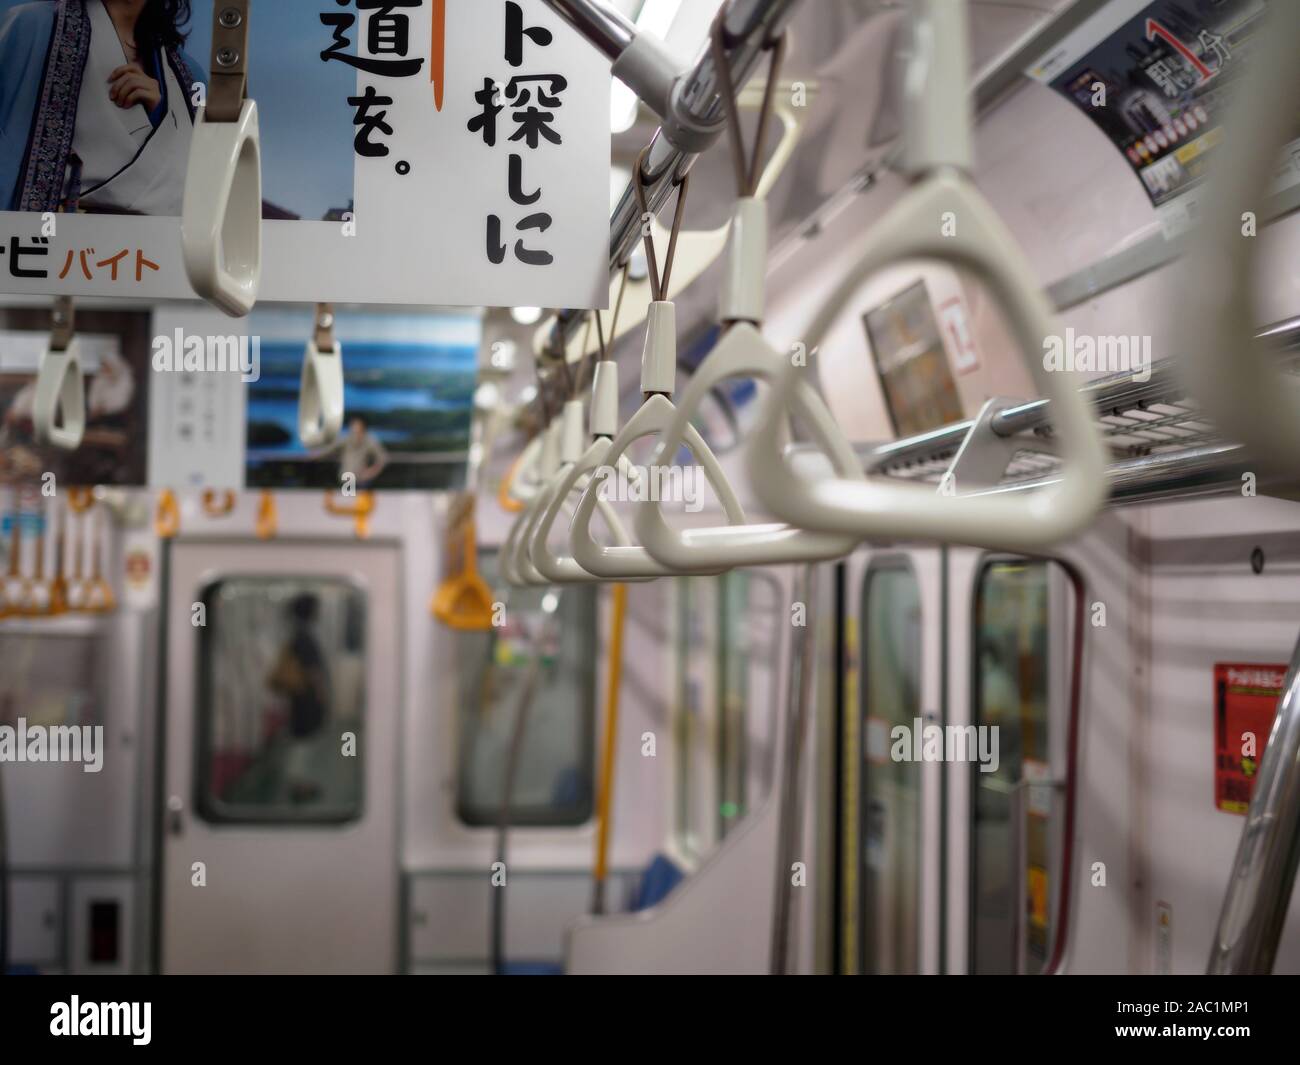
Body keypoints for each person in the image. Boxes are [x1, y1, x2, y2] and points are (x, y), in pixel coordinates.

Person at [0, 1, 205, 214]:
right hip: (49, 240)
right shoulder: (29, 29)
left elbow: (205, 191)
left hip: (156, 244)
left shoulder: (190, 79)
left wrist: (164, 117)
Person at [265, 592, 330, 804]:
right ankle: (297, 785)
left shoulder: (297, 634)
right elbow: (313, 671)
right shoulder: (305, 637)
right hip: (306, 698)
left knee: (300, 740)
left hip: (299, 697)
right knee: (303, 741)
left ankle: (298, 782)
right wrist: (322, 695)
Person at [318, 416, 389, 489]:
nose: (355, 433)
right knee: (348, 499)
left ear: (363, 429)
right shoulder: (346, 438)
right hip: (347, 479)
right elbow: (329, 449)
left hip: (361, 481)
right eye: (353, 429)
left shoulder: (370, 441)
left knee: (358, 499)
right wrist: (313, 455)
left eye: (358, 430)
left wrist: (370, 472)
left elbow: (383, 458)